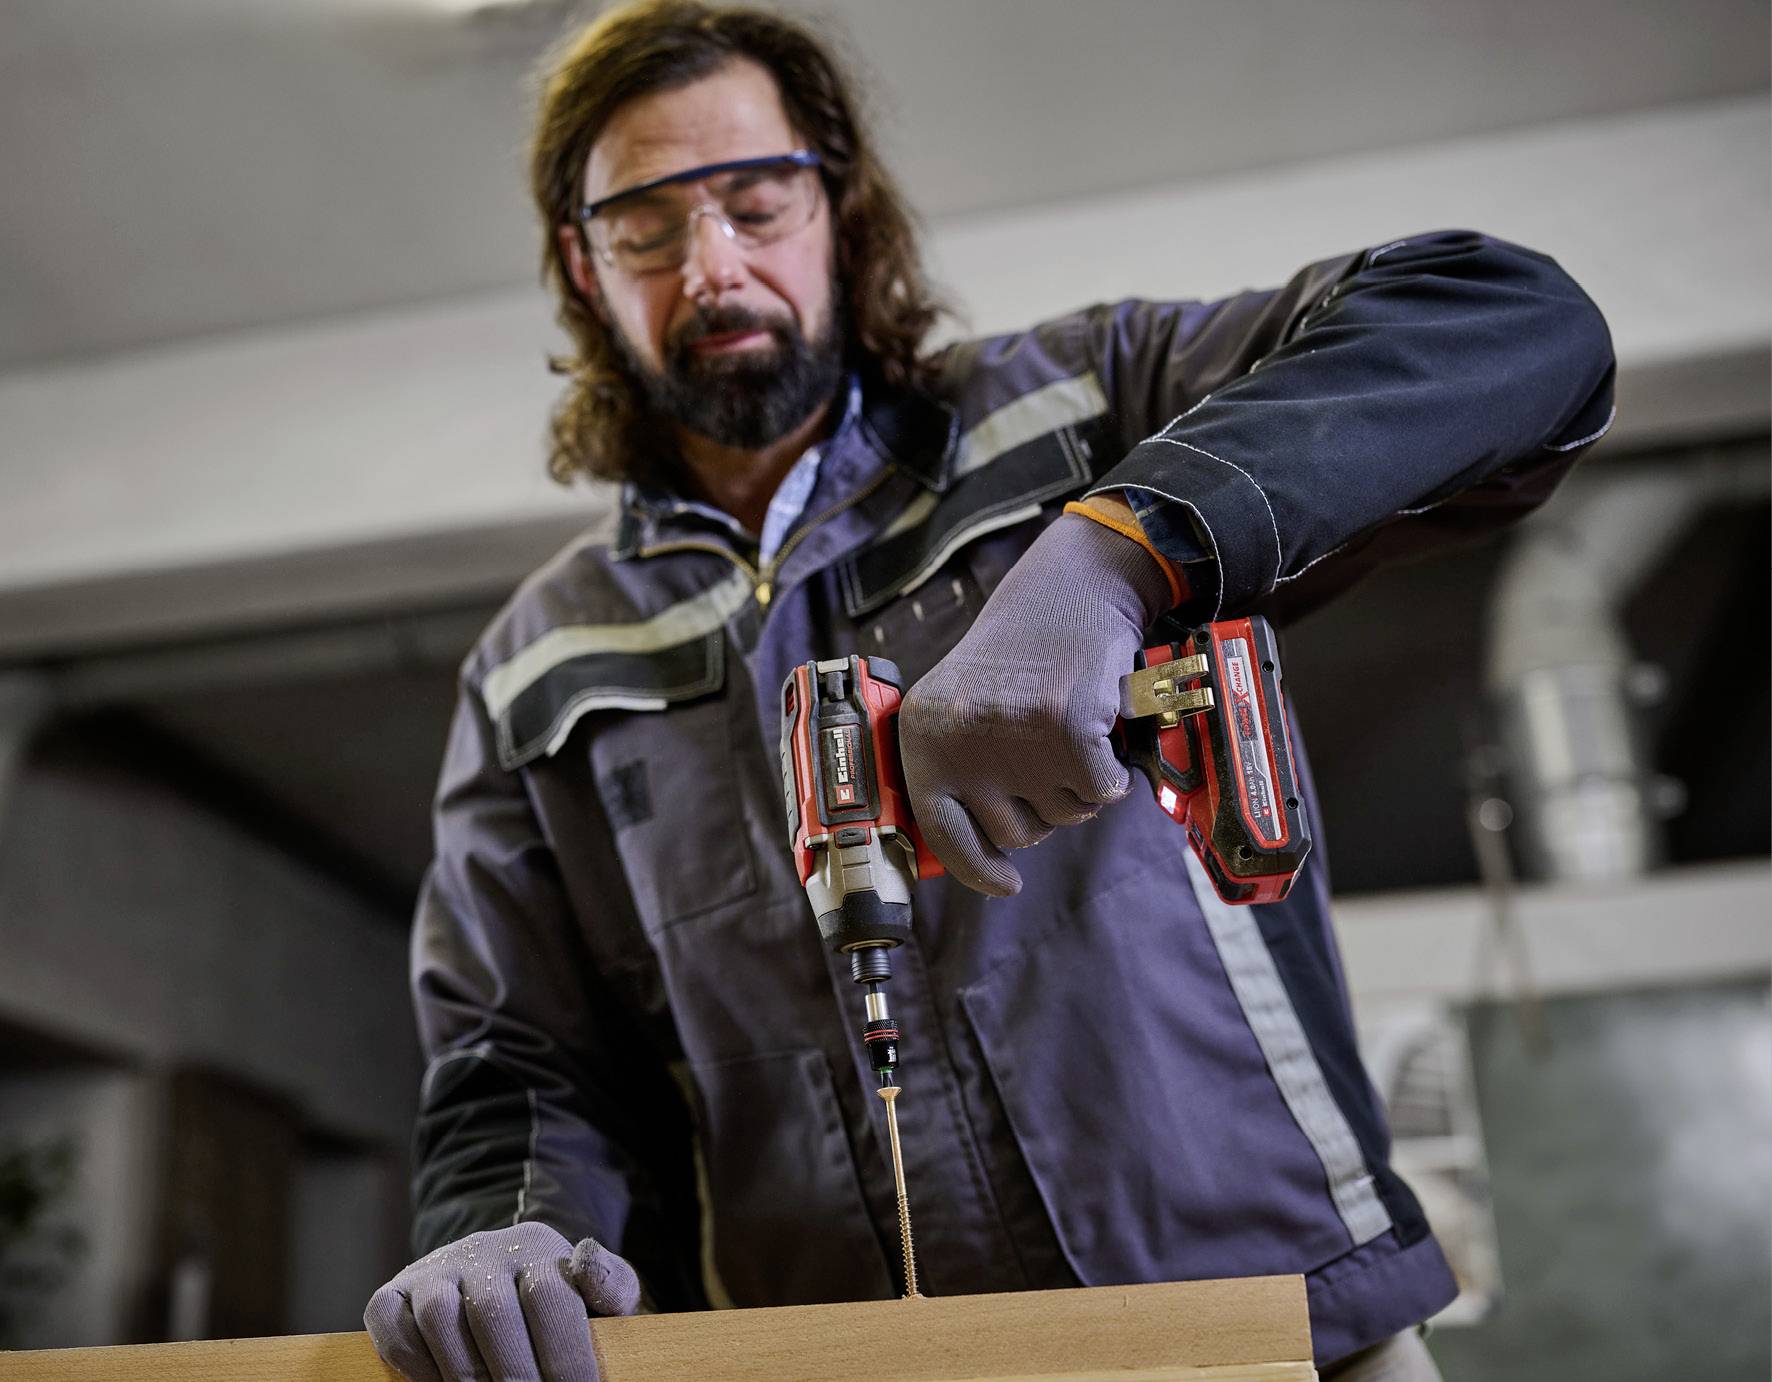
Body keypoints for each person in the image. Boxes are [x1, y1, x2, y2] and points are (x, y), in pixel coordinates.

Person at [363, 3, 1615, 1379]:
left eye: (756, 201)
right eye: (646, 229)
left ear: (838, 206)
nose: (713, 266)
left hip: (1280, 1336)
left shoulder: (1084, 409)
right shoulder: (534, 660)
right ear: (580, 264)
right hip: (839, 1368)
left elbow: (1510, 321)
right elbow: (517, 1058)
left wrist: (1115, 550)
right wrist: (509, 1224)